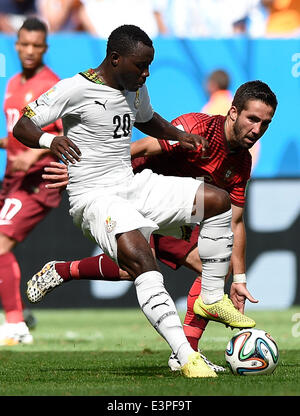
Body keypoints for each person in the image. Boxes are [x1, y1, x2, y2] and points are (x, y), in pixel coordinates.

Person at [13, 24, 254, 378]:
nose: (146, 73)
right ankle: (187, 356)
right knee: (143, 262)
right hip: (94, 198)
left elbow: (146, 120)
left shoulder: (134, 87)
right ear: (115, 59)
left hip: (133, 184)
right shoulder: (75, 89)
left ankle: (212, 296)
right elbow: (23, 125)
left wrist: (177, 134)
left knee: (216, 201)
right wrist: (50, 143)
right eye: (140, 66)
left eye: (149, 66)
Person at [41, 79, 277, 371]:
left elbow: (236, 222)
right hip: (132, 197)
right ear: (233, 113)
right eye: (252, 119)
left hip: (173, 214)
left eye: (265, 123)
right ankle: (63, 270)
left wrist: (239, 280)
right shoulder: (197, 127)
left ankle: (186, 352)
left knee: (216, 264)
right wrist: (85, 172)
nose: (257, 130)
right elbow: (140, 147)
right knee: (137, 268)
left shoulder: (241, 163)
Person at [0, 17, 62, 346]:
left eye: (36, 46)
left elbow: (61, 132)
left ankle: (15, 325)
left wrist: (34, 155)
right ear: (16, 44)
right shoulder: (11, 83)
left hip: (38, 181)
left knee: (0, 244)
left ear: (45, 48)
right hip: (12, 178)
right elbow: (15, 134)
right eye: (24, 44)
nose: (29, 51)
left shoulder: (51, 84)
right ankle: (15, 317)